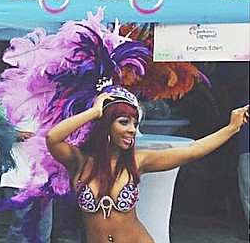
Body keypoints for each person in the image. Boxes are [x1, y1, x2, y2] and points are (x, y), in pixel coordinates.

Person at [46, 85, 249, 243]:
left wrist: (232, 128)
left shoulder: (138, 160)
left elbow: (191, 151)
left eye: (135, 124)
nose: (133, 130)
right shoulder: (80, 162)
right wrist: (96, 112)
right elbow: (53, 138)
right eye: (124, 122)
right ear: (105, 125)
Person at [0, 117, 53, 243]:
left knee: (43, 233)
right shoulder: (8, 99)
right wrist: (17, 134)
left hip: (43, 179)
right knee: (21, 231)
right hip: (18, 177)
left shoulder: (50, 101)